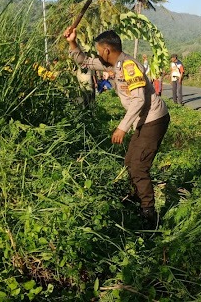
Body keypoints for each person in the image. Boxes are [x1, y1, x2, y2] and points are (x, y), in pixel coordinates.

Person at [64, 27, 170, 226]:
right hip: (142, 120)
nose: (96, 54)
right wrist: (72, 42)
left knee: (139, 167)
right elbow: (84, 61)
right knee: (130, 161)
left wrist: (122, 127)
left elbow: (139, 100)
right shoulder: (113, 64)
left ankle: (149, 215)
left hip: (153, 119)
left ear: (106, 51)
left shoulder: (129, 66)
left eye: (98, 50)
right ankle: (137, 198)